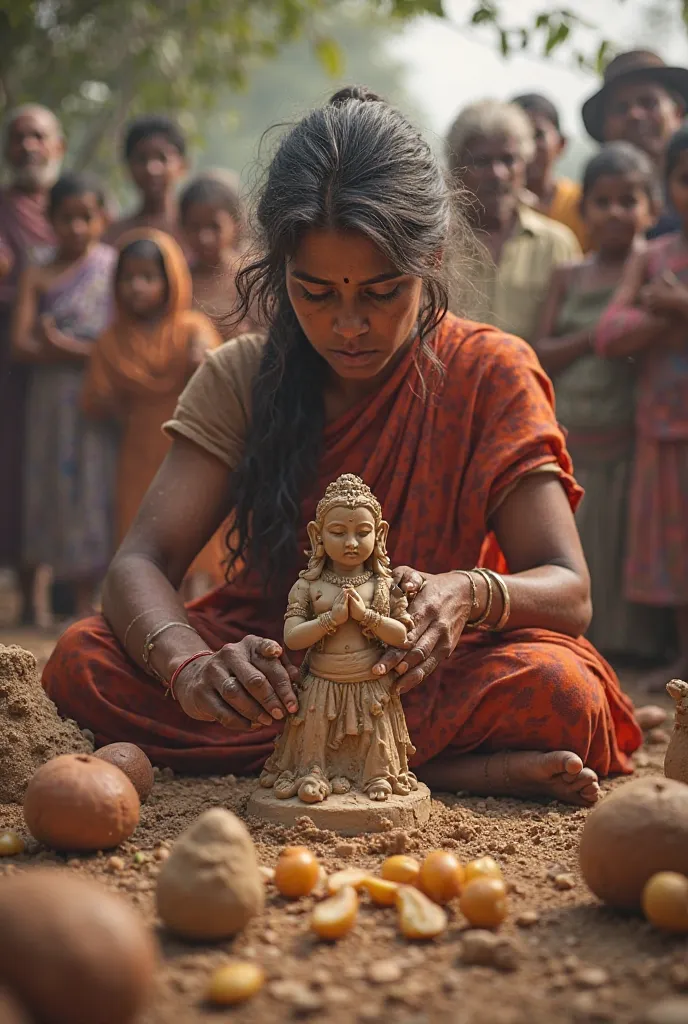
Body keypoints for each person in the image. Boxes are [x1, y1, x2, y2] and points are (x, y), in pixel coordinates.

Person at [43, 96, 642, 806]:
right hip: (276, 670)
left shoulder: (491, 371)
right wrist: (192, 668)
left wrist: (468, 593)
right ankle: (431, 764)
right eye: (316, 292)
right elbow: (140, 563)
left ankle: (323, 758)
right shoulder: (241, 374)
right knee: (83, 657)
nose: (349, 326)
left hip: (418, 667)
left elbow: (569, 591)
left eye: (383, 292)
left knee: (562, 689)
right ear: (278, 269)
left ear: (434, 259)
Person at [534, 142, 666, 660]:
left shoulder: (651, 270)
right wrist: (597, 337)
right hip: (572, 434)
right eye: (603, 201)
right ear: (583, 210)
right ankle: (576, 643)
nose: (615, 212)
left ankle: (629, 651)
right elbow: (542, 351)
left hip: (629, 436)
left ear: (651, 209)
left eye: (628, 200)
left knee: (622, 541)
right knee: (576, 540)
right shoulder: (570, 275)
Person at [81, 229, 224, 598]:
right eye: (127, 278)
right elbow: (96, 399)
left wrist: (201, 357)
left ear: (171, 279)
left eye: (148, 277)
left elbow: (216, 368)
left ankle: (198, 608)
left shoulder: (192, 326)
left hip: (190, 444)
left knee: (194, 525)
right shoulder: (110, 339)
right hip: (137, 451)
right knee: (142, 535)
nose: (136, 287)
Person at [597, 125, 688, 690]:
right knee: (677, 550)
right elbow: (608, 332)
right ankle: (684, 658)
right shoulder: (655, 256)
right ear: (668, 186)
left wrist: (682, 304)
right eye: (684, 178)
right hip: (663, 427)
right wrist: (663, 316)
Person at [11, 173, 118, 618]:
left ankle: (82, 604)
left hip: (97, 398)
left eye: (85, 218)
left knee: (92, 489)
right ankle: (32, 604)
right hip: (49, 402)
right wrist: (62, 352)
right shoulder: (38, 271)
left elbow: (118, 344)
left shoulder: (112, 268)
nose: (76, 228)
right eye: (66, 218)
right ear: (50, 221)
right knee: (44, 488)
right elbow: (20, 343)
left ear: (102, 220)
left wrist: (65, 348)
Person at [446, 100, 581, 343]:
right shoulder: (437, 245)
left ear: (525, 165)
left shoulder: (556, 244)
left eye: (508, 160)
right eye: (482, 161)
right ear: (457, 168)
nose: (497, 174)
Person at [0, 105, 64, 616]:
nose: (28, 146)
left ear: (57, 147)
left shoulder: (73, 213)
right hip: (9, 367)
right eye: (19, 137)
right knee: (13, 472)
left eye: (38, 137)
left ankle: (59, 594)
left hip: (65, 375)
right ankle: (24, 599)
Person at [582, 50, 688, 239]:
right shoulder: (587, 204)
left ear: (678, 112)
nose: (634, 115)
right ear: (605, 127)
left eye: (648, 103)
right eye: (621, 108)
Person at [512, 93, 589, 250]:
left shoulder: (580, 203)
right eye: (519, 137)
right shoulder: (492, 209)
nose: (528, 147)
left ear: (561, 144)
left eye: (537, 135)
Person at [180, 172, 254, 334]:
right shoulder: (178, 281)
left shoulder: (250, 277)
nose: (204, 238)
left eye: (214, 226)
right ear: (182, 227)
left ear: (235, 224)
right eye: (194, 227)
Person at [105, 116, 188, 248]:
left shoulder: (195, 231)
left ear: (183, 165)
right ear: (128, 168)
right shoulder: (114, 235)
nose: (151, 169)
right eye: (141, 159)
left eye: (162, 158)